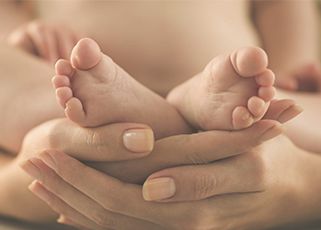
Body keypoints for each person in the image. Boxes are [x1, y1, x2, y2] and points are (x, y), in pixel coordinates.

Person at [0, 0, 320, 229]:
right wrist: (20, 37)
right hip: (72, 81)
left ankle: (177, 108)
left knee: (290, 104)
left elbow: (281, 6)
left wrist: (288, 71)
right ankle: (185, 115)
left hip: (226, 85)